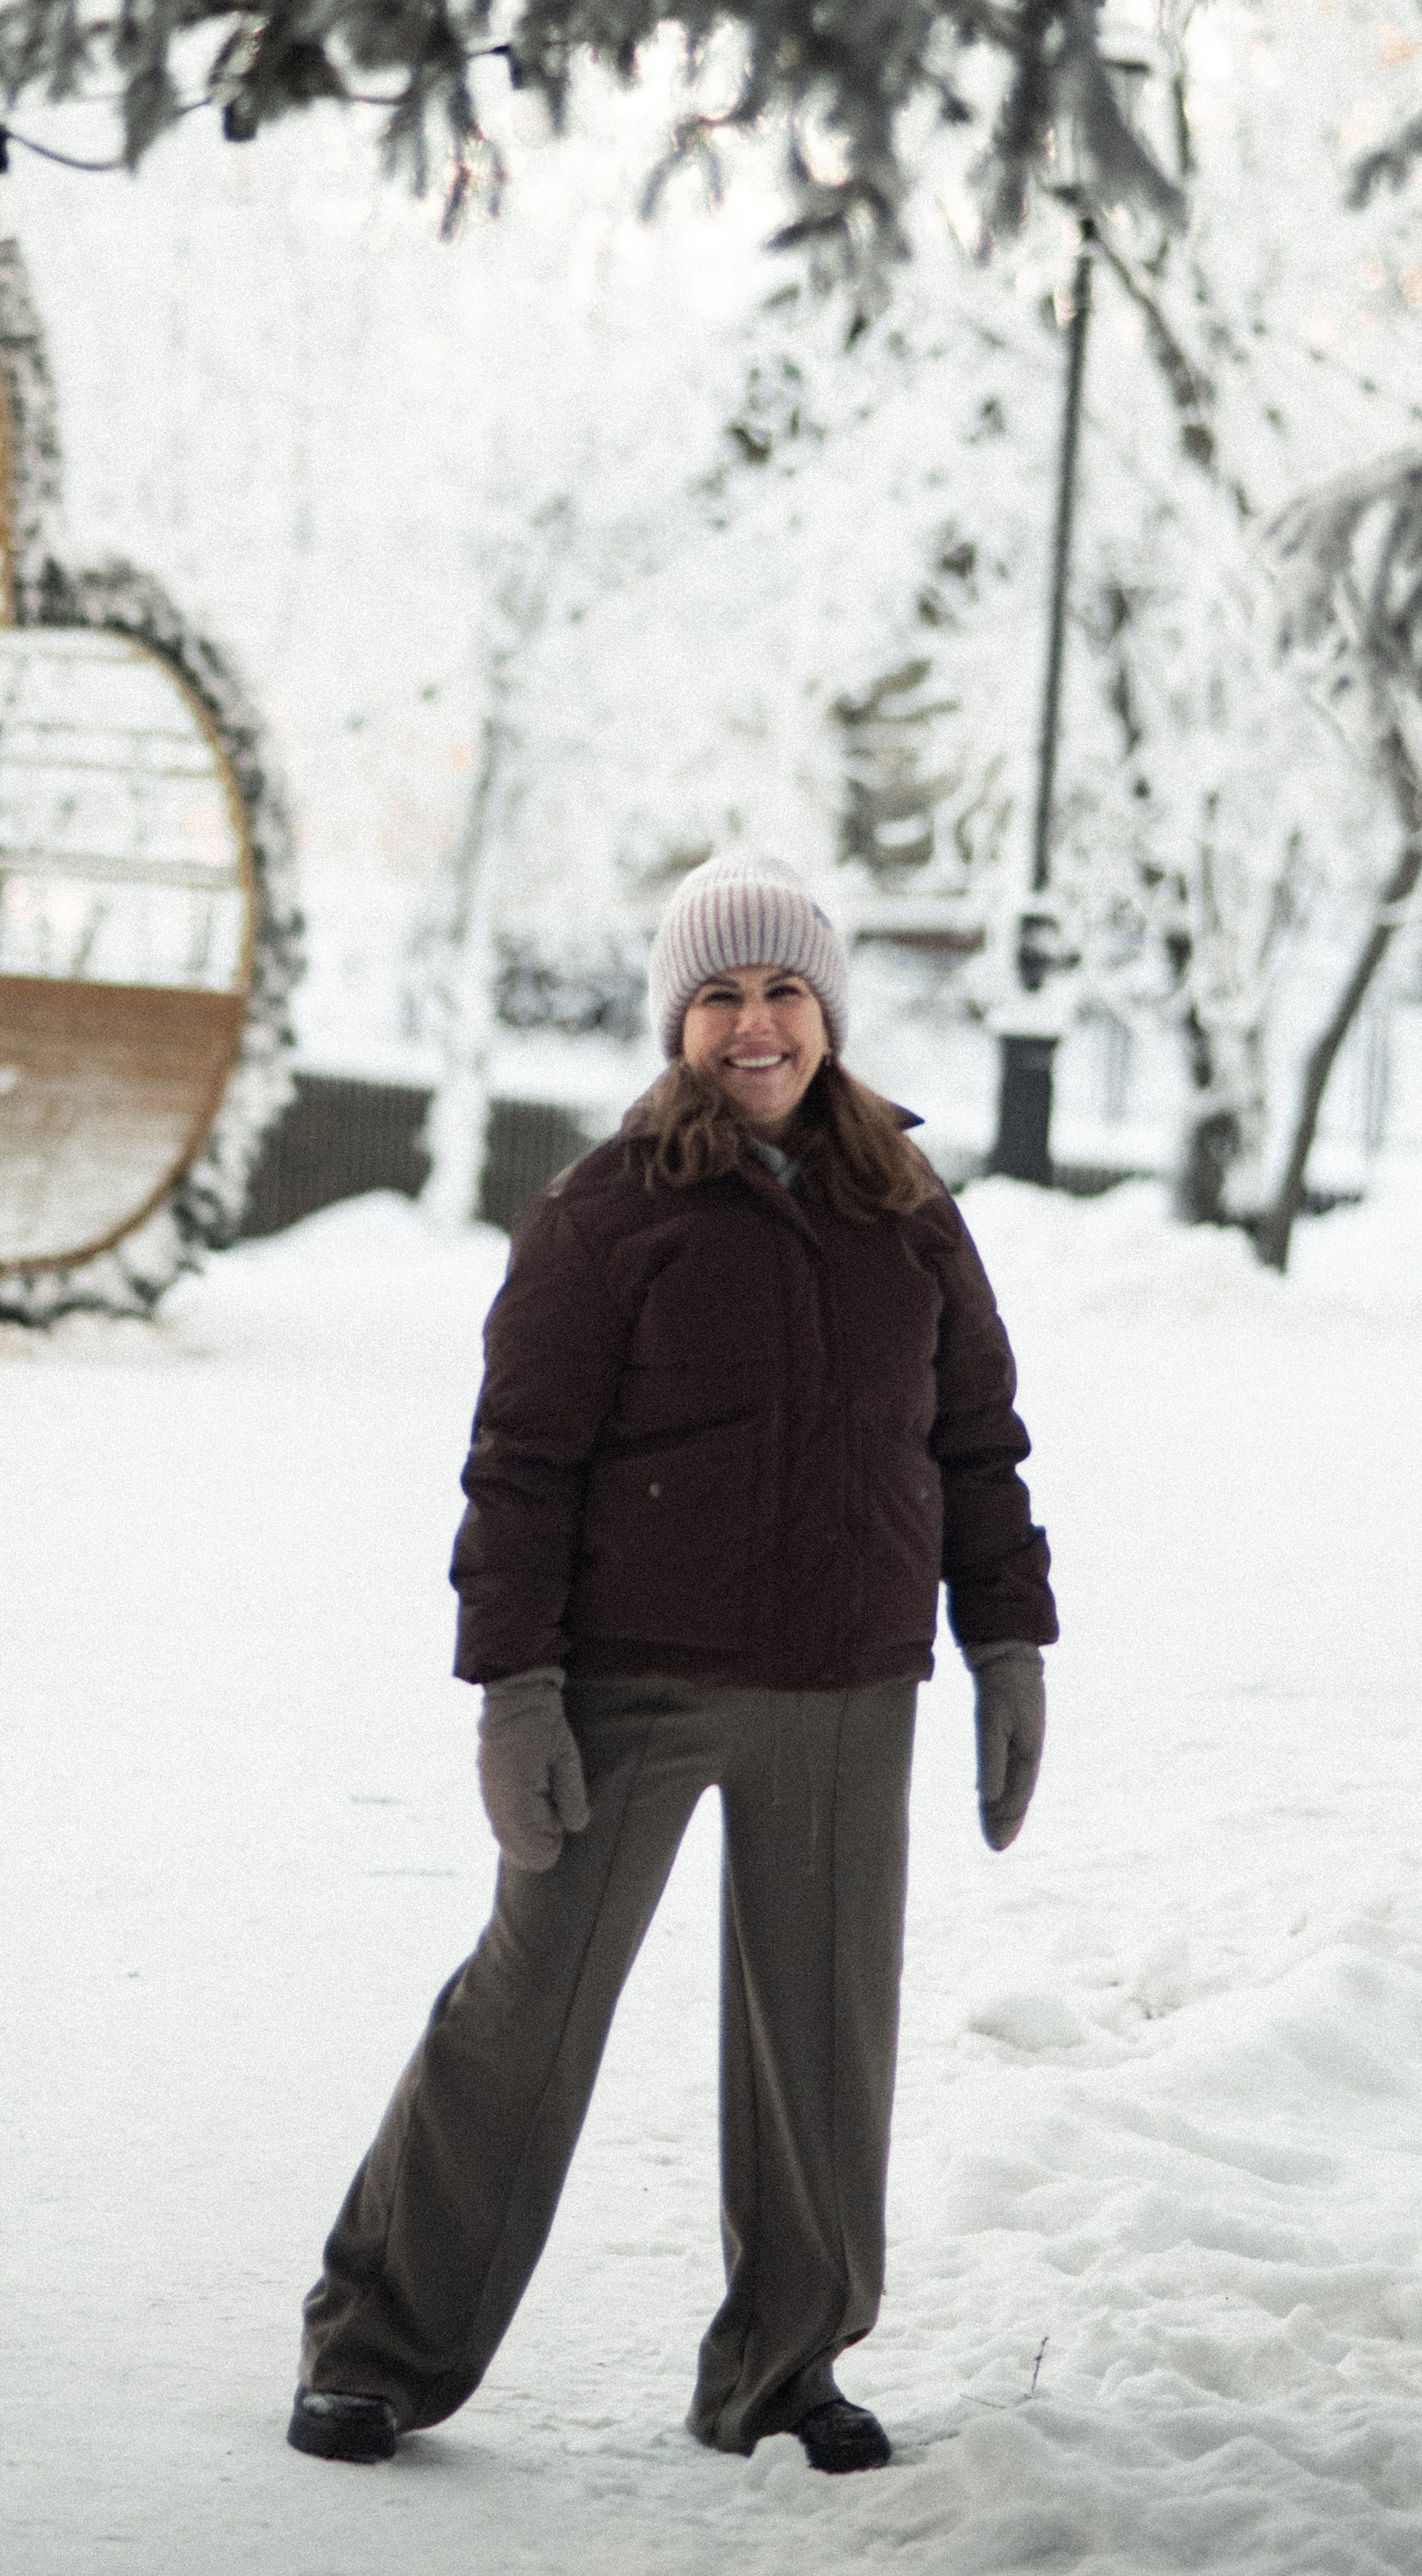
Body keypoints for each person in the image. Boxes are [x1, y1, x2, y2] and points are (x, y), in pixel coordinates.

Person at [289, 855, 1057, 2477]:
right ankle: (376, 2348)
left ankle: (785, 2369)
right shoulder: (607, 1212)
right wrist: (514, 1689)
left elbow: (973, 1441)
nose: (754, 1022)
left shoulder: (906, 1214)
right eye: (719, 994)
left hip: (848, 1685)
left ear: (827, 1015)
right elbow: (521, 1463)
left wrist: (1003, 1640)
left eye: (782, 991)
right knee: (524, 2013)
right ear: (677, 1021)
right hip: (631, 1683)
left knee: (823, 2043)